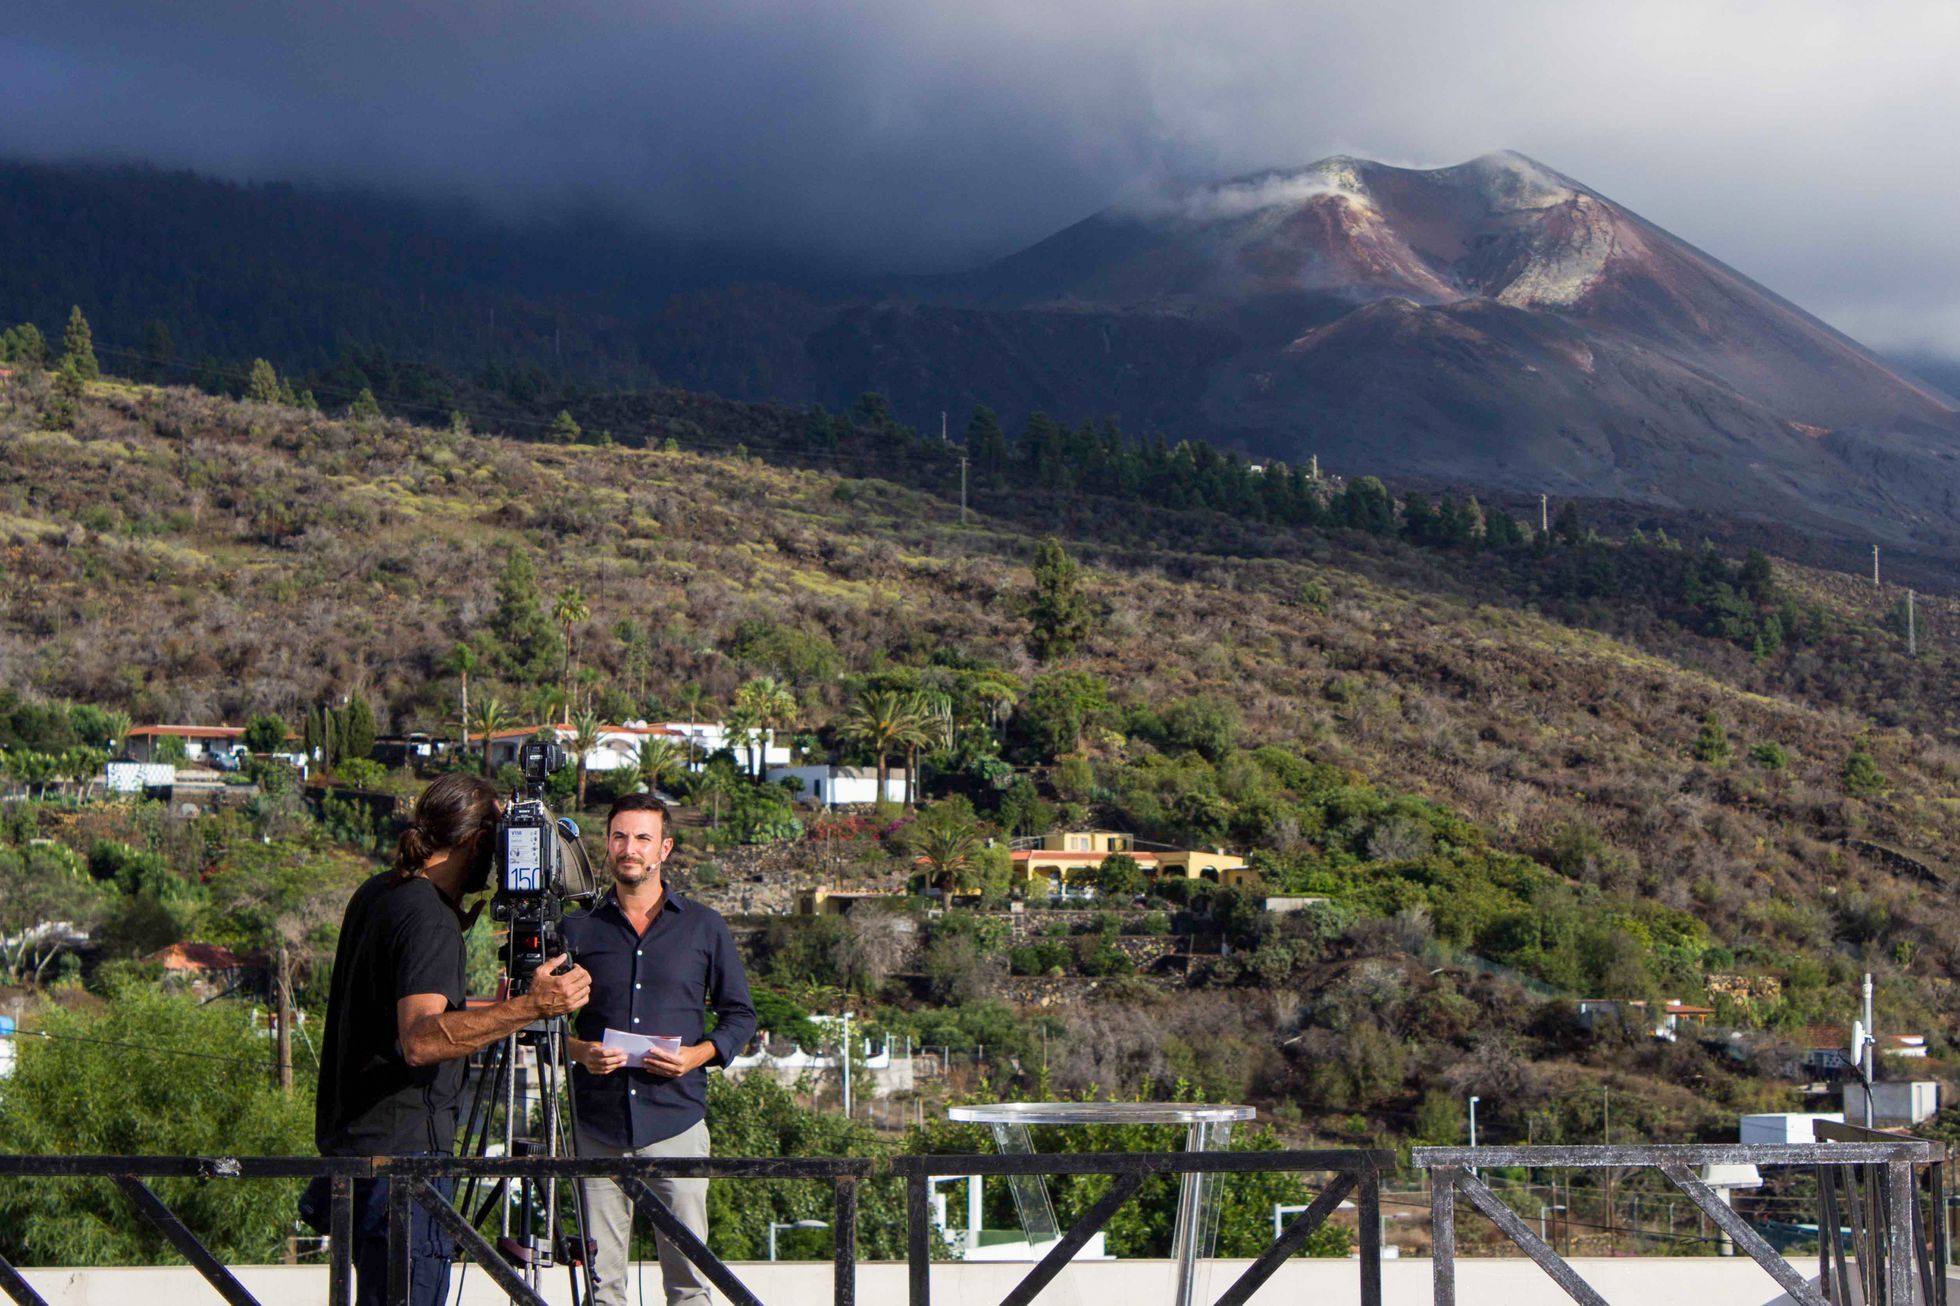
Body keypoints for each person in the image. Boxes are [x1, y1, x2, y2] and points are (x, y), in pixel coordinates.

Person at [315, 771, 593, 1306]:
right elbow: (419, 1039)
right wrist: (533, 1006)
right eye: (499, 836)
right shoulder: (427, 918)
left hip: (358, 1150)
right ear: (473, 840)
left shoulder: (382, 891)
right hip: (405, 1164)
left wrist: (499, 1004)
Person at [563, 792, 757, 1306]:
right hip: (597, 1127)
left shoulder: (704, 926)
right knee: (600, 1288)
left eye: (642, 838)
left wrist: (695, 1056)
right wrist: (580, 1051)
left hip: (677, 1124)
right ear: (607, 844)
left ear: (664, 848)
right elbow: (541, 1025)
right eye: (620, 836)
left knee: (691, 1285)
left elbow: (741, 1016)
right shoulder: (576, 929)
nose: (630, 848)